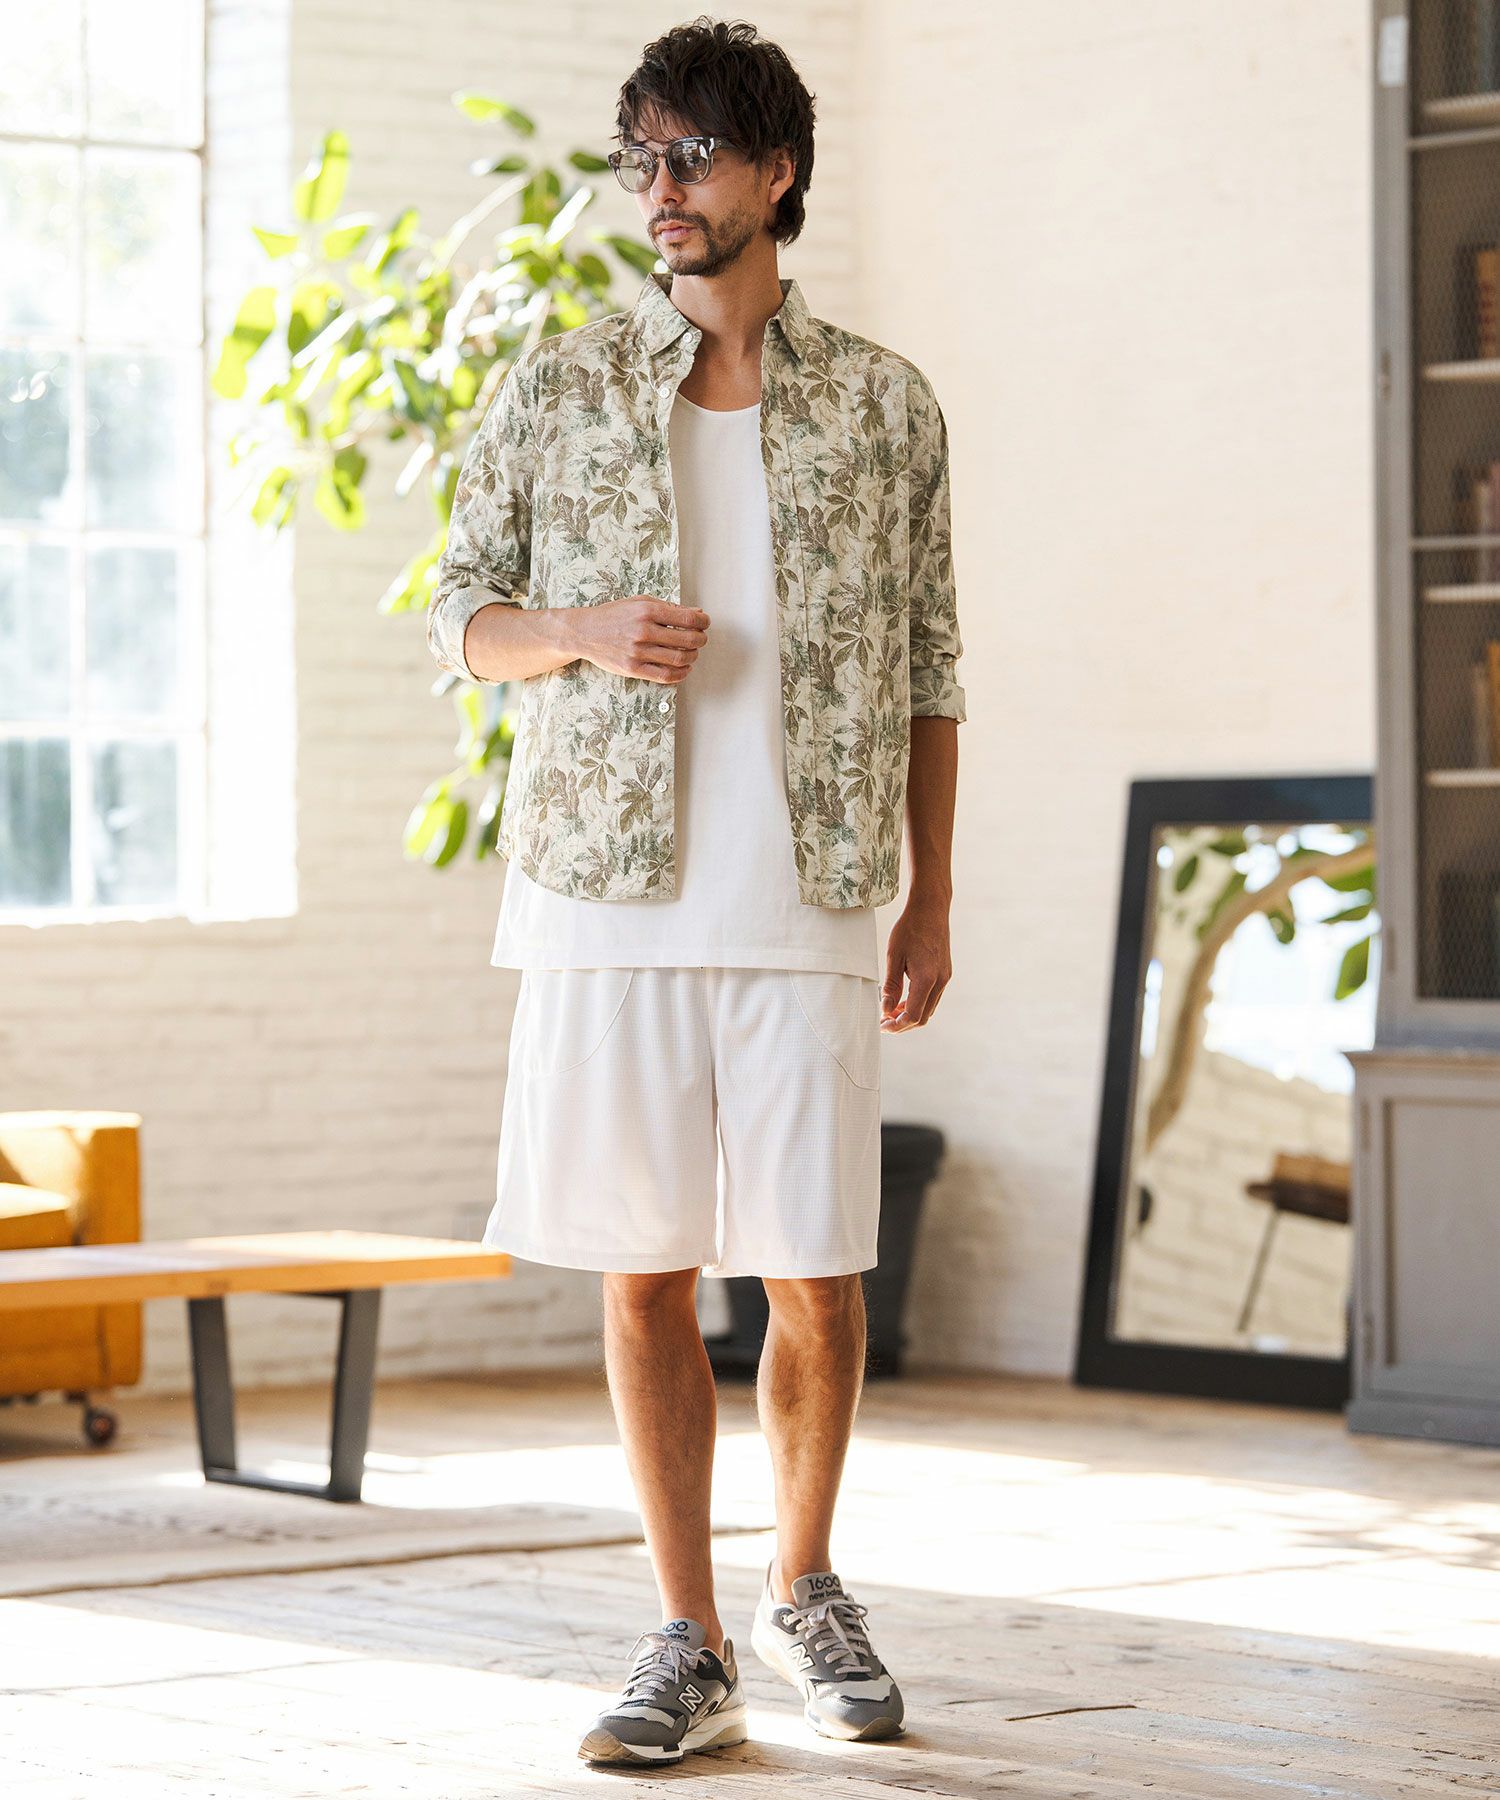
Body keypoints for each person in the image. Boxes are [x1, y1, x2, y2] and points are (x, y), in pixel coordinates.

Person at [427, 16, 967, 1769]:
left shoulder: (884, 405)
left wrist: (931, 894)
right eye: (640, 159)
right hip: (607, 892)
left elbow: (932, 667)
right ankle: (688, 1638)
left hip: (812, 888)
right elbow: (464, 620)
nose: (658, 189)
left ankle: (806, 1582)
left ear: (776, 172)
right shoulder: (559, 385)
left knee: (815, 1269)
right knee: (643, 1268)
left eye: (692, 157)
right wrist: (579, 631)